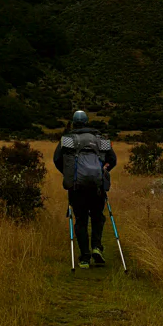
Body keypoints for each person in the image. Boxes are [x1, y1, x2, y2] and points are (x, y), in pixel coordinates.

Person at [53, 110, 117, 269]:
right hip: (97, 187)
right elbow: (112, 159)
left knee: (81, 220)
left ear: (74, 123)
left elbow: (57, 159)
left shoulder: (67, 139)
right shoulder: (100, 139)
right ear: (87, 122)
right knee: (97, 217)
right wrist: (103, 172)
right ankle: (96, 247)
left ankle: (85, 258)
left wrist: (69, 174)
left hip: (77, 187)